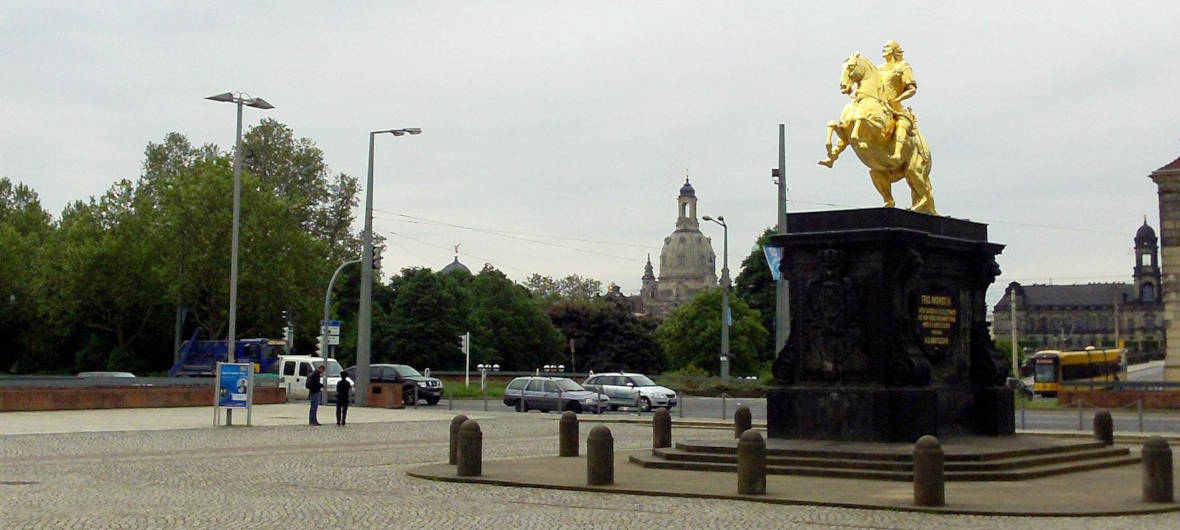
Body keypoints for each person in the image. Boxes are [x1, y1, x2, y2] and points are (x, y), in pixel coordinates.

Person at [876, 39, 918, 162]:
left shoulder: (903, 67)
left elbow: (912, 89)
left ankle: (897, 152)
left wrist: (897, 99)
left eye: (887, 46)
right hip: (879, 105)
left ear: (894, 50)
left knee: (902, 123)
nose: (883, 48)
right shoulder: (878, 69)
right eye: (883, 46)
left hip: (895, 106)